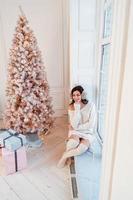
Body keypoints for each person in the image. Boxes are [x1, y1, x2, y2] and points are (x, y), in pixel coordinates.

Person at [57, 85, 97, 168]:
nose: (75, 97)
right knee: (73, 143)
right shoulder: (71, 106)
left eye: (78, 95)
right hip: (75, 131)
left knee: (81, 148)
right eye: (73, 95)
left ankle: (65, 156)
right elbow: (74, 124)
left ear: (82, 95)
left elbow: (91, 124)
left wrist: (76, 127)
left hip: (88, 132)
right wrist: (77, 108)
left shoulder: (91, 105)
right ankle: (65, 159)